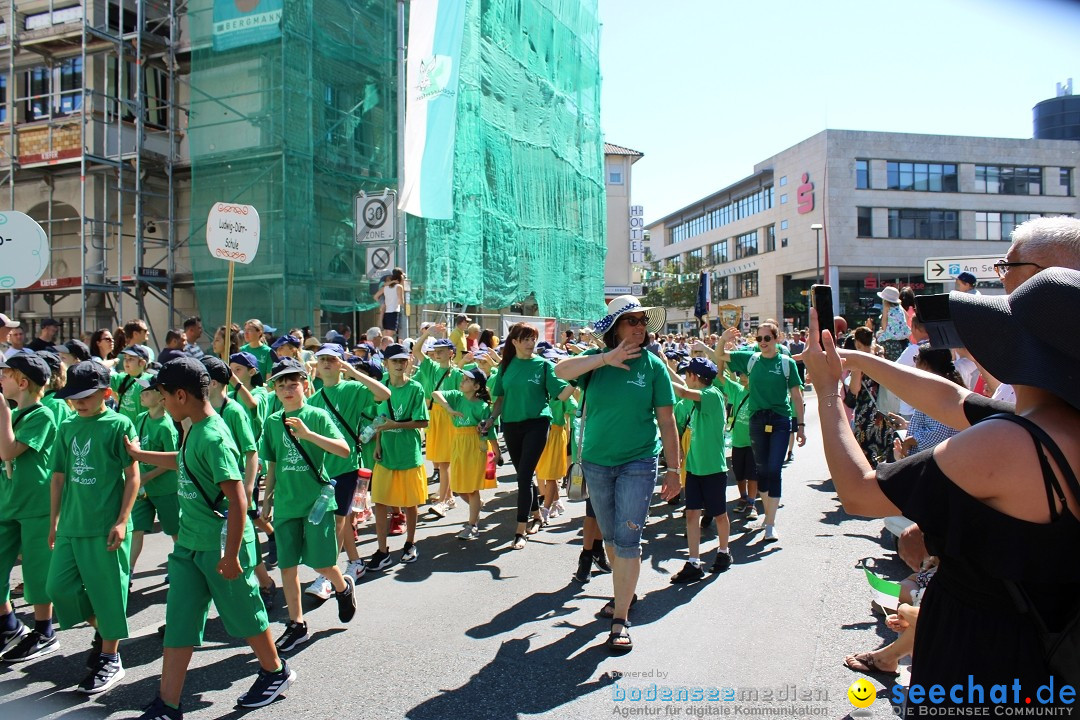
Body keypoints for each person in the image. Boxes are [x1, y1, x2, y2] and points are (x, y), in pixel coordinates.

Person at [801, 268, 1080, 714]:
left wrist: (828, 394)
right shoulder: (1052, 424)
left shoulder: (1008, 442)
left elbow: (858, 493)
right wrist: (859, 359)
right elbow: (952, 400)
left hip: (978, 661)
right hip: (1046, 667)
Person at [125, 358, 295, 719]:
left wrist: (232, 555)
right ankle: (167, 704)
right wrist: (140, 455)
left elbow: (237, 499)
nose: (163, 401)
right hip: (189, 545)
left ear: (181, 395)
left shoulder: (213, 434)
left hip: (222, 547)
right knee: (180, 623)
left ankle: (276, 671)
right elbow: (186, 462)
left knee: (248, 618)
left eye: (164, 395)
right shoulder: (194, 429)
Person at [554, 295, 680, 654]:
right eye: (631, 321)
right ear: (614, 328)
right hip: (595, 462)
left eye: (642, 321)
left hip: (638, 463)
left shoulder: (654, 367)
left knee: (627, 541)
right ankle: (624, 592)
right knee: (609, 539)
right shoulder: (594, 364)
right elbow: (560, 372)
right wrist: (605, 359)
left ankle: (620, 618)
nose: (639, 327)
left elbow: (668, 422)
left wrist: (674, 470)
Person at [47, 360, 140, 694]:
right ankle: (105, 629)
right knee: (58, 588)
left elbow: (133, 475)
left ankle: (111, 658)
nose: (79, 401)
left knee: (108, 594)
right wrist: (54, 520)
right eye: (74, 396)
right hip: (71, 524)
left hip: (106, 527)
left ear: (106, 392)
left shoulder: (119, 423)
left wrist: (122, 519)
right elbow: (58, 476)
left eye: (86, 395)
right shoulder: (68, 426)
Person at [258, 358, 356, 651]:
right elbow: (272, 462)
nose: (288, 390)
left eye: (293, 384)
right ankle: (297, 623)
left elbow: (344, 449)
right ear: (275, 390)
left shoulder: (317, 416)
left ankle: (342, 587)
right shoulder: (272, 421)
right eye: (281, 385)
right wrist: (267, 498)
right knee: (287, 566)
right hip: (287, 504)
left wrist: (309, 434)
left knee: (322, 563)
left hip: (316, 502)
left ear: (304, 386)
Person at [305, 343, 391, 596]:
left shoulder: (352, 388)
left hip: (347, 465)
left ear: (341, 363)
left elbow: (384, 394)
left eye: (333, 359)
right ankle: (355, 562)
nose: (328, 363)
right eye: (322, 360)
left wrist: (353, 371)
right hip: (322, 469)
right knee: (338, 522)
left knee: (337, 521)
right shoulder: (314, 399)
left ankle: (325, 576)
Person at [711, 321, 805, 542]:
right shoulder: (750, 359)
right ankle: (768, 517)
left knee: (774, 469)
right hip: (757, 420)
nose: (763, 343)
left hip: (780, 419)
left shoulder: (787, 363)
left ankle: (770, 523)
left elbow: (797, 397)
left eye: (767, 338)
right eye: (759, 339)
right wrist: (723, 339)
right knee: (762, 471)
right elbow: (720, 357)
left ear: (777, 339)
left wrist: (799, 426)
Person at [484, 323, 573, 550]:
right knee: (525, 475)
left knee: (523, 477)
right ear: (514, 342)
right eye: (525, 339)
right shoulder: (506, 366)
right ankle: (536, 515)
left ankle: (520, 530)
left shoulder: (543, 365)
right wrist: (491, 419)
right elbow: (500, 399)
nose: (530, 343)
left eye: (533, 339)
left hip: (537, 423)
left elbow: (561, 394)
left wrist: (577, 379)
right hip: (511, 425)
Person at [200, 356, 277, 611]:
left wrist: (247, 487)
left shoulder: (232, 410)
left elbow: (251, 450)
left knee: (244, 534)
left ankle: (264, 582)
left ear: (211, 383)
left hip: (237, 481)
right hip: (214, 482)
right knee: (222, 535)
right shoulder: (200, 411)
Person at [0, 354, 59, 662]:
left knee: (37, 573)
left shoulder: (41, 415)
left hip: (35, 504)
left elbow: (9, 449)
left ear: (22, 382)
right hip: (7, 501)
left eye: (5, 375)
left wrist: (1, 411)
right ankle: (8, 625)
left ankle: (44, 630)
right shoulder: (12, 413)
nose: (1, 379)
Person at [664, 356, 732, 582]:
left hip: (713, 468)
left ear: (694, 376)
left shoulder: (712, 395)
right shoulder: (698, 396)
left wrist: (659, 374)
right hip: (694, 467)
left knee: (720, 515)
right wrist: (665, 367)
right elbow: (684, 389)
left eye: (686, 374)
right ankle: (694, 562)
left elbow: (683, 392)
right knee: (691, 513)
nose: (684, 378)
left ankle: (724, 552)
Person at [365, 344, 429, 570]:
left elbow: (423, 421)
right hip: (385, 452)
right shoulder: (378, 386)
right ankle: (382, 550)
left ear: (408, 362)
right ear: (385, 363)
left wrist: (397, 425)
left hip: (408, 451)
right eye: (395, 361)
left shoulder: (415, 388)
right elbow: (378, 420)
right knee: (380, 502)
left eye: (403, 361)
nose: (400, 365)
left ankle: (410, 543)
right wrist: (377, 443)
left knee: (410, 503)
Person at [431, 368, 501, 540]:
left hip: (477, 447)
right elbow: (434, 393)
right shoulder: (456, 396)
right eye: (463, 378)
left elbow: (489, 433)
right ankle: (476, 508)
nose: (462, 381)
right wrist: (449, 409)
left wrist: (497, 453)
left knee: (472, 488)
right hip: (458, 445)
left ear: (477, 386)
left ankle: (472, 525)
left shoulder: (483, 406)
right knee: (458, 487)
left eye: (467, 380)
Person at [128, 374, 180, 578]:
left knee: (174, 531)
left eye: (147, 392)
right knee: (136, 529)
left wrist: (148, 476)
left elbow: (173, 461)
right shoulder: (141, 419)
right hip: (142, 490)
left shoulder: (166, 426)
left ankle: (180, 564)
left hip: (166, 489)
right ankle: (128, 572)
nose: (142, 394)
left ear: (160, 397)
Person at [412, 327, 461, 518]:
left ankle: (445, 500)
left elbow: (461, 398)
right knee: (440, 461)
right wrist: (427, 334)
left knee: (445, 461)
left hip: (448, 418)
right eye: (436, 351)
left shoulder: (457, 374)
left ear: (451, 353)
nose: (437, 354)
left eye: (441, 351)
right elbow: (416, 351)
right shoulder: (431, 367)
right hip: (433, 416)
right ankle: (447, 497)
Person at [111, 344, 151, 425]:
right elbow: (100, 376)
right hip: (123, 426)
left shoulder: (149, 380)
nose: (126, 361)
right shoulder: (120, 378)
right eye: (125, 358)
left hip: (140, 427)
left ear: (142, 363)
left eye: (131, 359)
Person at [876, 286, 910, 362]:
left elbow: (884, 325)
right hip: (902, 337)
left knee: (878, 337)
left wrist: (883, 329)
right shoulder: (900, 307)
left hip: (890, 339)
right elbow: (907, 317)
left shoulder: (887, 307)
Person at [373, 268, 405, 338]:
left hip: (386, 312)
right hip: (394, 311)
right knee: (389, 336)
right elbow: (401, 301)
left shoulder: (385, 287)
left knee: (385, 335)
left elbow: (375, 296)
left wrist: (382, 303)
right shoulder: (399, 287)